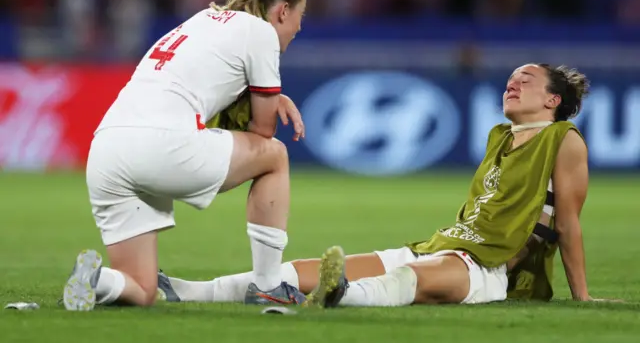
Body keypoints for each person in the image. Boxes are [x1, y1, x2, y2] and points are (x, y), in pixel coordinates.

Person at [158, 63, 600, 306]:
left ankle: (334, 298)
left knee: (408, 278)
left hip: (485, 266)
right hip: (443, 243)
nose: (512, 84)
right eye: (510, 80)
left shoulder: (564, 140)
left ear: (552, 100)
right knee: (305, 267)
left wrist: (580, 296)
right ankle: (187, 291)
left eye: (525, 81)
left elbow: (567, 224)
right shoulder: (499, 136)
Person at [62, 0, 309, 311]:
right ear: (283, 11)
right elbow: (262, 130)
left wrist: (264, 96)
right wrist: (269, 98)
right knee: (274, 155)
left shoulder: (202, 19)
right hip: (162, 144)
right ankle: (269, 285)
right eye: (296, 25)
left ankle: (96, 280)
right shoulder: (262, 32)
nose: (292, 35)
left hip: (105, 150)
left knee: (142, 289)